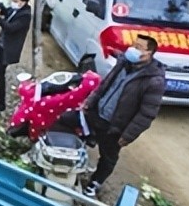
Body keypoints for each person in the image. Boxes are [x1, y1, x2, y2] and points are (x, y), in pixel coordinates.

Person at [53, 35, 165, 197]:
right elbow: (105, 85)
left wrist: (128, 135)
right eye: (134, 45)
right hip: (95, 114)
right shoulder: (123, 63)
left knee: (108, 157)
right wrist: (90, 102)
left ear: (149, 53)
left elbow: (146, 114)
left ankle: (94, 183)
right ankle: (66, 161)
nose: (133, 49)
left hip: (114, 127)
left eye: (139, 47)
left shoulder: (154, 81)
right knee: (64, 120)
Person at [0, 0, 32, 112]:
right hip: (2, 44)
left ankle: (0, 104)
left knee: (1, 76)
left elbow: (11, 28)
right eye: (13, 0)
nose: (13, 3)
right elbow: (8, 14)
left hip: (9, 48)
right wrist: (1, 8)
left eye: (16, 1)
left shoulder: (25, 16)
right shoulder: (16, 10)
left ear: (23, 2)